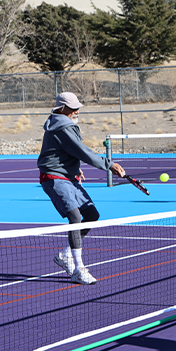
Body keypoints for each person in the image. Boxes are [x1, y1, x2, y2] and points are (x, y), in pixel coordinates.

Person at [38, 92, 125, 285]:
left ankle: (65, 255)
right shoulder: (62, 127)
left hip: (69, 176)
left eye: (77, 106)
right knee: (75, 217)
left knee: (92, 214)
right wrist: (109, 164)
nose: (76, 110)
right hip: (54, 177)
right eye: (72, 107)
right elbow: (81, 151)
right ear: (61, 108)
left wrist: (75, 170)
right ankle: (78, 269)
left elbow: (68, 152)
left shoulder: (66, 124)